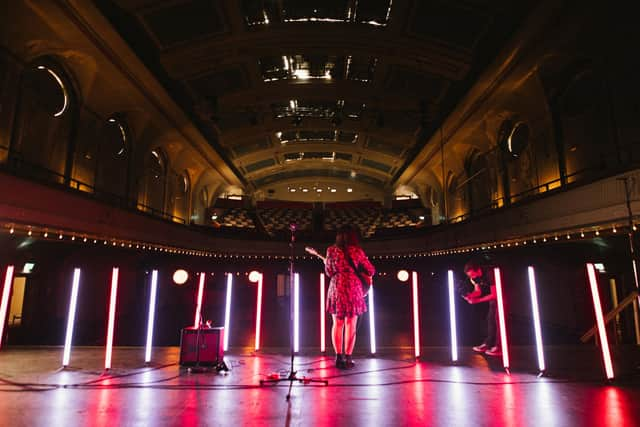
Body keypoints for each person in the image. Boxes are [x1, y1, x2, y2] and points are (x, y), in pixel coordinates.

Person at [325, 225, 375, 369]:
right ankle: (348, 357)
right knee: (351, 325)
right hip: (353, 288)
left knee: (337, 324)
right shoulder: (357, 251)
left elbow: (329, 271)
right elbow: (371, 270)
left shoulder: (331, 250)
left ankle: (338, 357)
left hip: (337, 287)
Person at [462, 259, 502, 357]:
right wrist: (470, 295)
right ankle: (488, 344)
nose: (471, 278)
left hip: (503, 294)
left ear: (478, 270)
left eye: (472, 275)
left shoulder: (490, 274)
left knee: (499, 321)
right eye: (469, 276)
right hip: (494, 298)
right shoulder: (475, 278)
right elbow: (478, 291)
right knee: (490, 320)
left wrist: (477, 301)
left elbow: (495, 294)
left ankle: (499, 347)